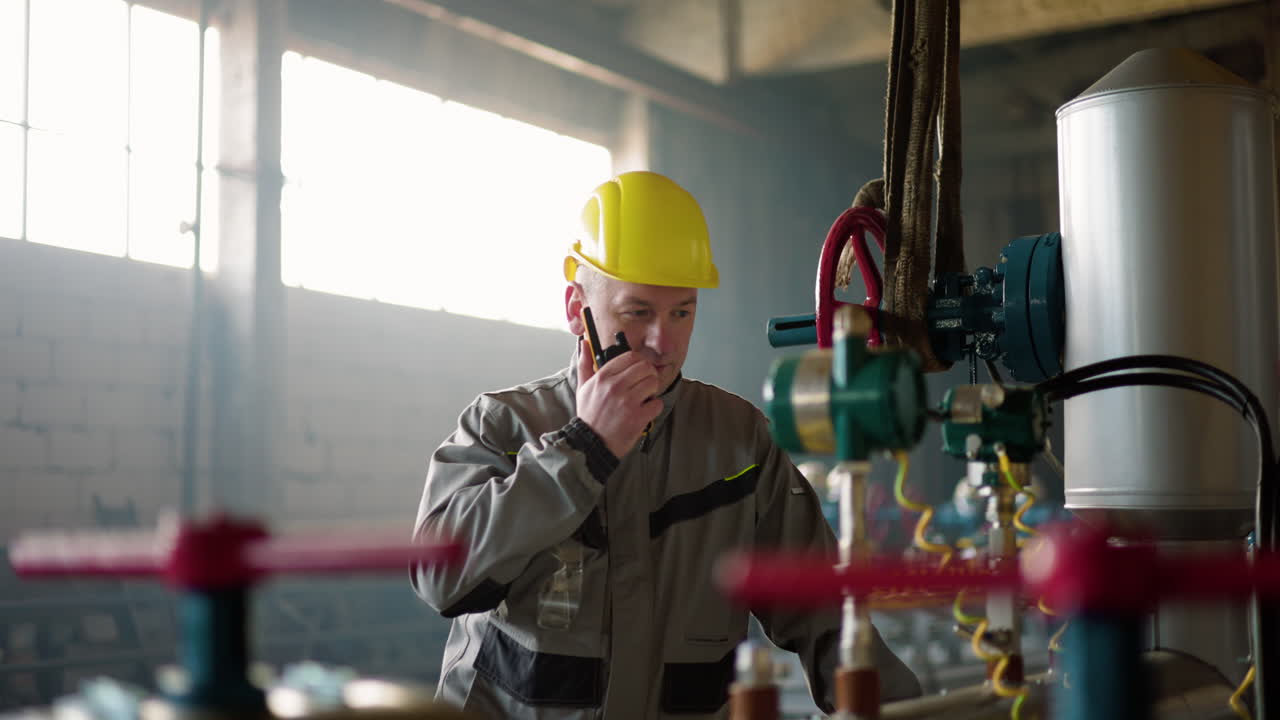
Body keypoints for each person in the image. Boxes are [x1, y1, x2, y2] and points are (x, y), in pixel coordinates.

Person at [411, 171, 920, 718]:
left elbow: (824, 614)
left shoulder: (739, 442)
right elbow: (441, 579)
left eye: (682, 312)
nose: (662, 342)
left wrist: (909, 712)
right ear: (574, 308)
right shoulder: (504, 425)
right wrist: (582, 449)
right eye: (638, 313)